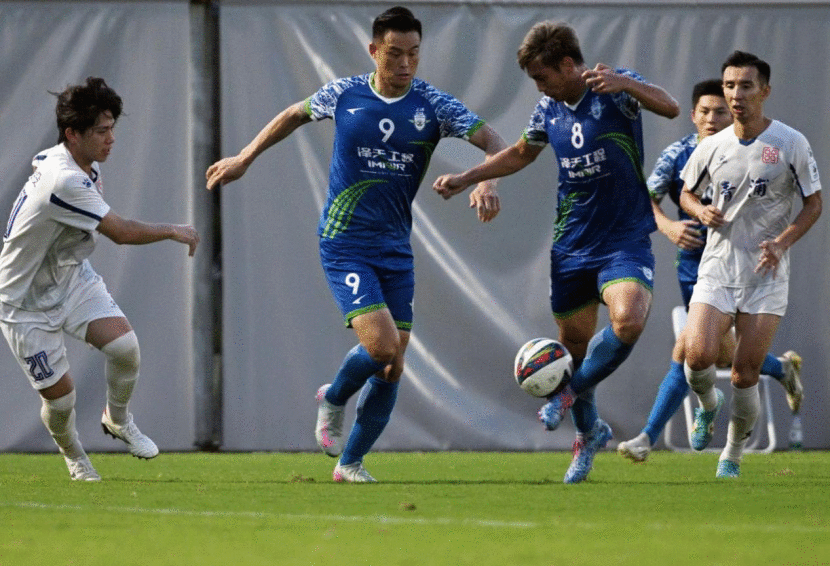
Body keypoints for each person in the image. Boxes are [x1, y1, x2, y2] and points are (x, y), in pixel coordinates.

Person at [205, 6, 506, 483]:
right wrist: (245, 156)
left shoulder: (434, 105)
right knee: (383, 347)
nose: (405, 63)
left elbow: (495, 142)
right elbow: (293, 114)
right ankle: (334, 397)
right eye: (395, 53)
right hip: (345, 242)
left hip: (395, 247)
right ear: (373, 51)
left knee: (392, 365)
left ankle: (350, 464)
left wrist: (485, 181)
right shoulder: (345, 93)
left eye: (414, 54)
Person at [433, 21, 679, 483]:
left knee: (628, 320)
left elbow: (670, 106)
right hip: (572, 246)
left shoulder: (613, 87)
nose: (538, 87)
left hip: (623, 239)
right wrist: (470, 177)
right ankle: (589, 435)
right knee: (575, 348)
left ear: (568, 64)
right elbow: (521, 153)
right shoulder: (548, 107)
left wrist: (627, 84)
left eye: (542, 77)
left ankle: (566, 395)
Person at [0, 77, 200, 481]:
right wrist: (173, 230)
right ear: (72, 134)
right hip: (23, 303)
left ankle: (118, 419)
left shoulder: (77, 164)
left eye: (112, 128)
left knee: (125, 348)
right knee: (61, 402)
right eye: (101, 131)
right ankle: (75, 456)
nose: (111, 139)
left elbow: (44, 166)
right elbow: (120, 233)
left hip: (70, 277)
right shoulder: (65, 180)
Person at [617, 79, 804, 463]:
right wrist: (668, 226)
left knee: (694, 353)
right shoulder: (679, 154)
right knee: (709, 355)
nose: (712, 118)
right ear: (693, 115)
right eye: (705, 111)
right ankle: (779, 370)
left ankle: (651, 437)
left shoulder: (759, 151)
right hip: (698, 269)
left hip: (749, 268)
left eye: (721, 111)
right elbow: (645, 198)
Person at [678, 51, 821, 478]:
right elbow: (686, 193)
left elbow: (814, 203)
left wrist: (781, 243)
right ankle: (708, 404)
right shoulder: (711, 146)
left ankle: (732, 454)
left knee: (744, 374)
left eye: (745, 86)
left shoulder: (790, 143)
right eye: (729, 86)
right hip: (717, 268)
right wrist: (699, 211)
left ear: (765, 91)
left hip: (765, 274)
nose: (736, 95)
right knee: (697, 356)